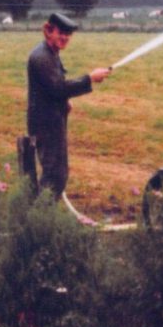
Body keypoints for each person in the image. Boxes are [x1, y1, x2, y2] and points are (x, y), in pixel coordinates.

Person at [27, 12, 112, 197]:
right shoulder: (42, 57)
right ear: (49, 31)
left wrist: (64, 101)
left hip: (52, 121)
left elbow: (52, 87)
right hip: (45, 124)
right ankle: (40, 218)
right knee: (53, 175)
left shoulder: (51, 53)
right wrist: (89, 78)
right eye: (61, 33)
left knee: (59, 174)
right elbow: (57, 87)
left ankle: (43, 214)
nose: (65, 37)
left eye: (68, 34)